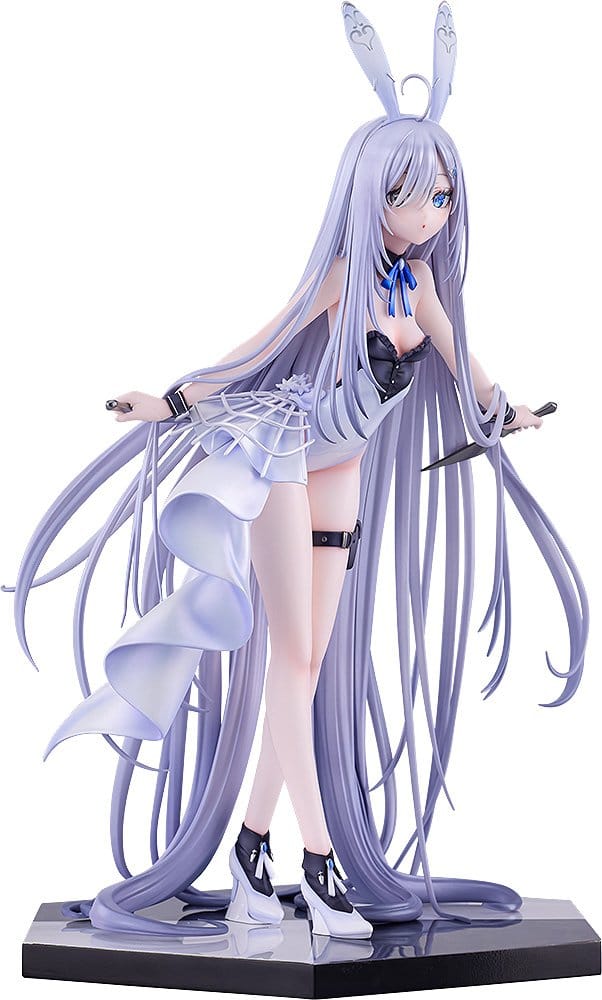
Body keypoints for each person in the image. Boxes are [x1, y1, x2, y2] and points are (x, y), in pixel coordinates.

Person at [3, 2, 588, 940]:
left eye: (442, 198)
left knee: (309, 665)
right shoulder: (345, 274)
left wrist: (503, 412)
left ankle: (249, 851)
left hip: (341, 466)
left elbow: (464, 362)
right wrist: (174, 400)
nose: (429, 214)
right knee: (296, 654)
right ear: (369, 191)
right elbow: (262, 344)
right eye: (413, 195)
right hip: (282, 452)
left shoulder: (418, 285)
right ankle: (317, 866)